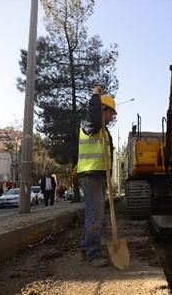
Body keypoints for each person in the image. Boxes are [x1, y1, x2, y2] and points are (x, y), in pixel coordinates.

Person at [77, 88, 116, 267]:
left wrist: (110, 175)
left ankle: (86, 247)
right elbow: (93, 113)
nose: (112, 117)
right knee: (95, 214)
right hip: (91, 174)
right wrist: (95, 96)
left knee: (94, 213)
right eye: (111, 113)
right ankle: (93, 254)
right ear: (103, 110)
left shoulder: (103, 130)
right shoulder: (90, 124)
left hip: (99, 175)